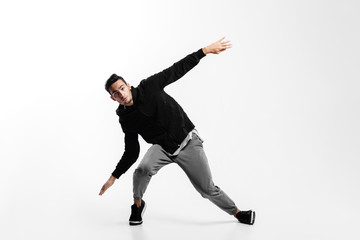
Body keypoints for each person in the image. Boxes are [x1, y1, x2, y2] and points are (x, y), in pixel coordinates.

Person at [99, 37, 255, 226]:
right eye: (116, 93)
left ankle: (238, 213)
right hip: (163, 148)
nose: (121, 94)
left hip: (187, 141)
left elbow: (176, 69)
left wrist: (204, 51)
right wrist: (113, 177)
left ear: (128, 85)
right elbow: (131, 151)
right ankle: (137, 205)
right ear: (112, 98)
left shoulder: (150, 86)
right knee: (142, 170)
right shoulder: (125, 119)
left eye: (122, 88)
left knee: (206, 189)